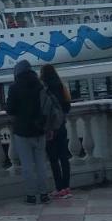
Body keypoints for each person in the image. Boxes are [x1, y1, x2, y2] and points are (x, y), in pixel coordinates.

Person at [5, 59, 51, 205]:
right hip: (40, 130)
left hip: (22, 131)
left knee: (27, 166)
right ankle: (44, 193)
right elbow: (46, 108)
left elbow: (10, 110)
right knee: (41, 164)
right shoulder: (40, 85)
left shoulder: (14, 87)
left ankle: (31, 195)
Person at [40, 63, 73, 198]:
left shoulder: (44, 89)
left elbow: (44, 110)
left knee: (53, 159)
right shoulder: (61, 86)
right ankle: (66, 187)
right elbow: (67, 106)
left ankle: (59, 187)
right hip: (62, 125)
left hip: (50, 128)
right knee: (64, 157)